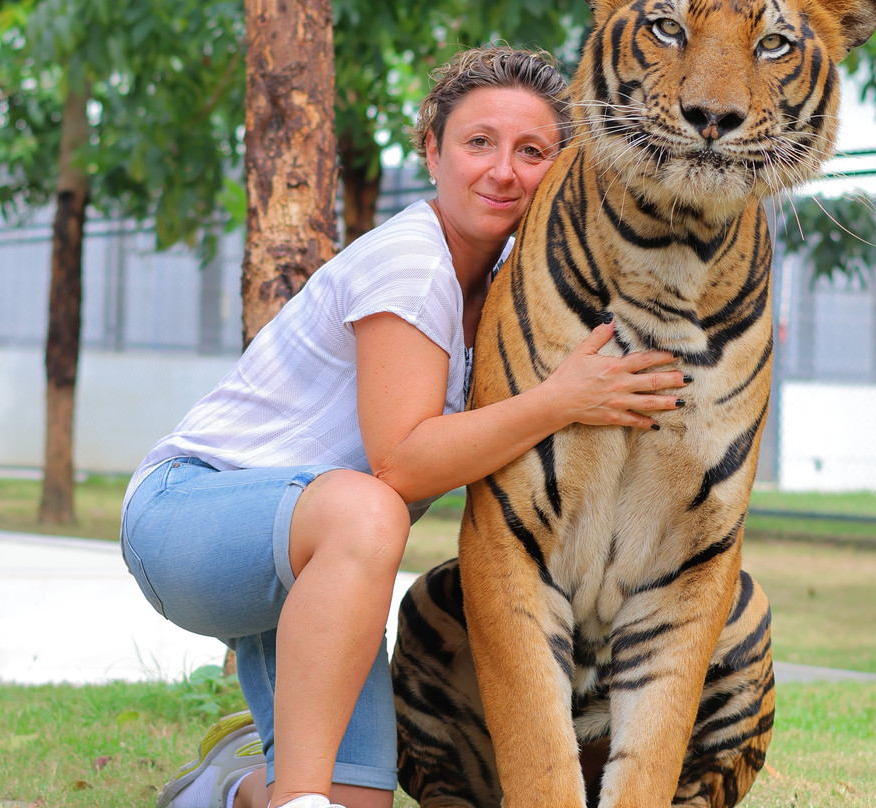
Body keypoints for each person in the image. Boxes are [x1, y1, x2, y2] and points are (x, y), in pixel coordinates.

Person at [120, 45, 688, 808]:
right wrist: (561, 399)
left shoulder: (510, 283)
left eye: (531, 151)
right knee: (369, 504)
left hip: (314, 565)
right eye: (477, 142)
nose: (502, 170)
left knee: (359, 800)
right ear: (432, 150)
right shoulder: (413, 263)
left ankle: (224, 791)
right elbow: (404, 464)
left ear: (559, 168)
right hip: (189, 517)